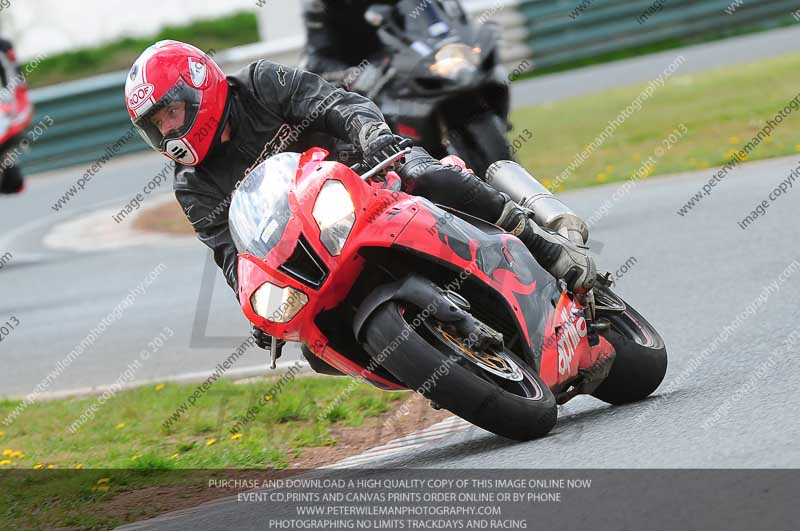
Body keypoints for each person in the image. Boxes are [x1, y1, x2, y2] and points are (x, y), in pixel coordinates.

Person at [124, 40, 594, 358]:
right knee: (317, 345)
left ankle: (544, 243)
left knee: (429, 177)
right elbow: (231, 254)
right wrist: (255, 304)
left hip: (367, 175)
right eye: (156, 125)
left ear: (199, 87)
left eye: (170, 112)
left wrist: (374, 136)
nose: (167, 131)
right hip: (310, 243)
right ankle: (434, 365)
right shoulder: (191, 185)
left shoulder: (261, 83)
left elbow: (333, 104)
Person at [301, 0, 469, 91]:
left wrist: (447, 33)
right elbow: (318, 57)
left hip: (412, 61)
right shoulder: (319, 5)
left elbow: (425, 13)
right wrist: (349, 74)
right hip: (371, 79)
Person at [0, 36, 32, 195]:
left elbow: (16, 87)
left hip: (10, 109)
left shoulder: (3, 47)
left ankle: (9, 166)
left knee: (14, 185)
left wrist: (10, 111)